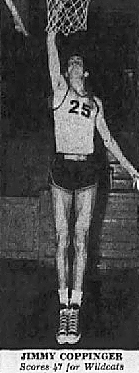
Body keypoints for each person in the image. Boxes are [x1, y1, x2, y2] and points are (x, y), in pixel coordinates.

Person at [47, 31, 139, 345]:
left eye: (76, 63)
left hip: (86, 171)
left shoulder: (95, 103)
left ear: (83, 72)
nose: (71, 65)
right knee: (62, 240)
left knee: (81, 240)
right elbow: (52, 57)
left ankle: (76, 305)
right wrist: (50, 32)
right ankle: (63, 308)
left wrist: (131, 168)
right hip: (62, 168)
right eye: (68, 62)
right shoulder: (59, 92)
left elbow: (109, 140)